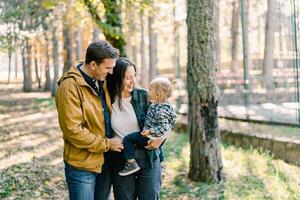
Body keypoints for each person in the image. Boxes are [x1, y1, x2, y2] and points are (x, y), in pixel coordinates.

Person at [55, 40, 123, 200]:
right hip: (82, 165)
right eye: (108, 68)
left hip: (104, 161)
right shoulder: (69, 87)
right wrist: (107, 144)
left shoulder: (101, 79)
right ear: (93, 64)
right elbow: (73, 131)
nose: (111, 72)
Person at [107, 57, 166, 200]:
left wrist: (162, 137)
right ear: (116, 78)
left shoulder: (144, 96)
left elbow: (165, 118)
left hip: (148, 156)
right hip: (122, 159)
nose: (133, 81)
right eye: (128, 78)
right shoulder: (106, 100)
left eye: (134, 76)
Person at [119, 77, 177, 176]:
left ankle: (131, 163)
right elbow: (173, 119)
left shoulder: (160, 110)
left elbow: (164, 127)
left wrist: (150, 132)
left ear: (157, 94)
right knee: (158, 148)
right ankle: (162, 163)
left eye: (150, 90)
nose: (148, 92)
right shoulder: (164, 106)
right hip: (154, 135)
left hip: (150, 135)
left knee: (128, 139)